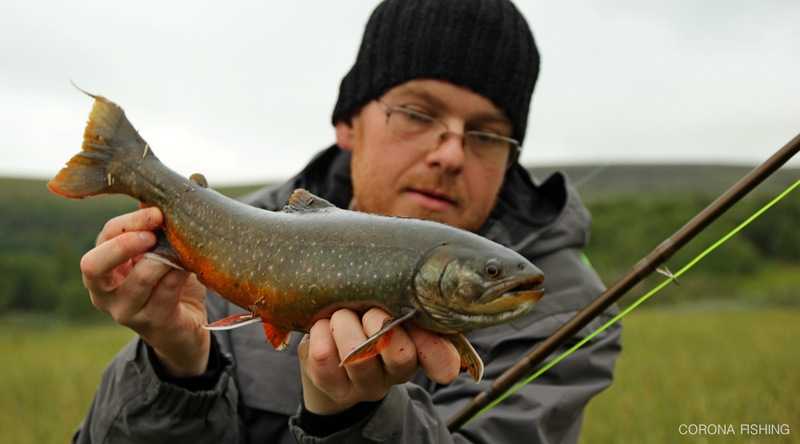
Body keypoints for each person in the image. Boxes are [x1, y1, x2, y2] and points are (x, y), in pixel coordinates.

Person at [73, 0, 621, 442]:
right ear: (348, 122)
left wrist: (355, 421)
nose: (451, 153)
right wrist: (175, 365)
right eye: (417, 113)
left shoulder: (566, 309)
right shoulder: (238, 239)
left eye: (486, 133)